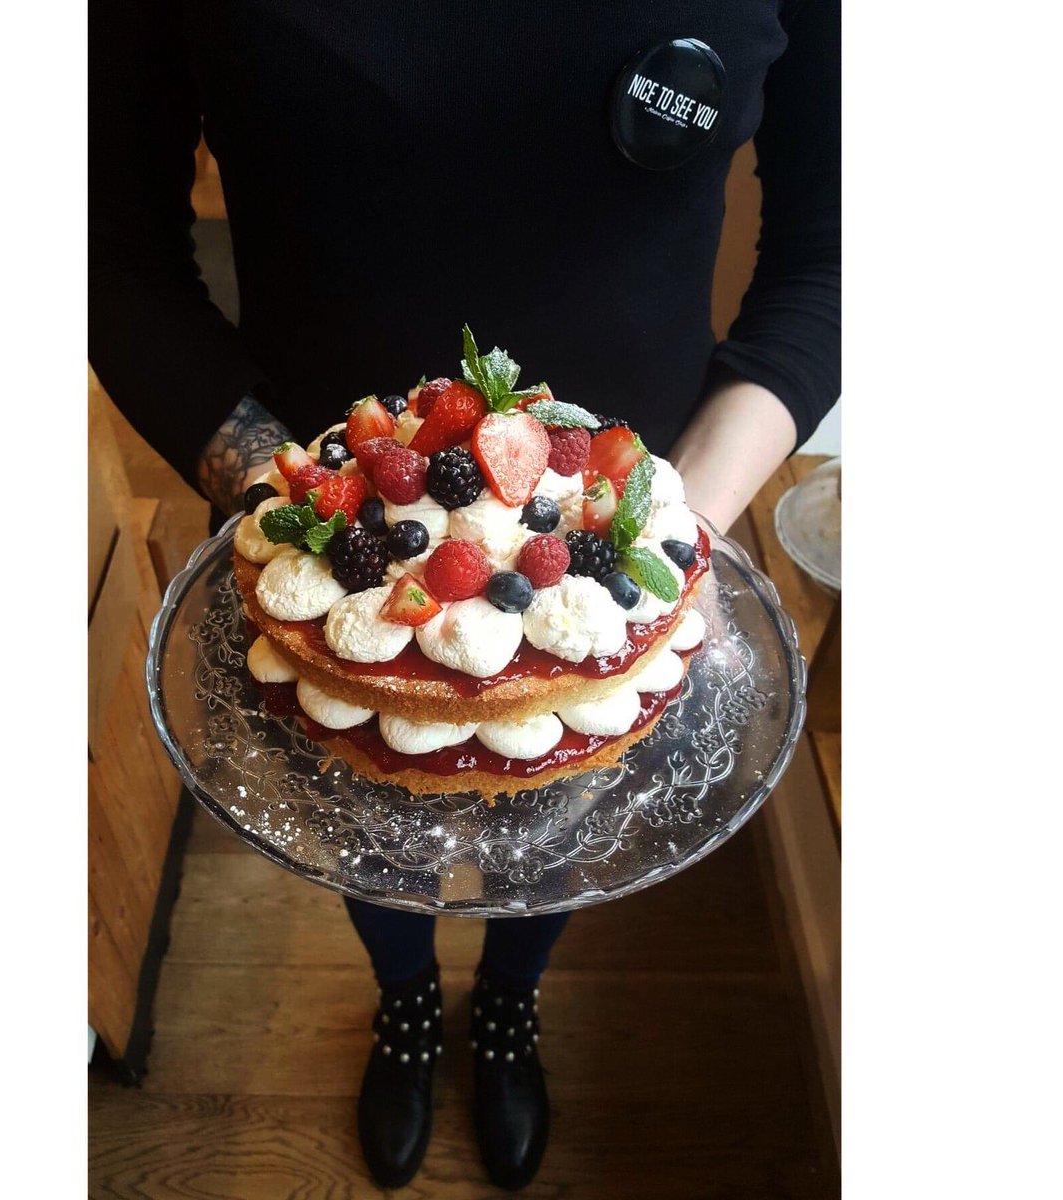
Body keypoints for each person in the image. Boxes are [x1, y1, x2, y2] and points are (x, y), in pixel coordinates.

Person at [90, 1, 839, 1189]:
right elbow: (110, 252)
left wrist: (668, 539)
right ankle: (403, 1000)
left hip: (612, 558)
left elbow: (836, 253)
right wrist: (285, 504)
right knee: (365, 828)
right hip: (325, 556)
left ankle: (506, 1002)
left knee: (563, 820)